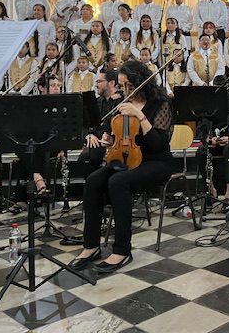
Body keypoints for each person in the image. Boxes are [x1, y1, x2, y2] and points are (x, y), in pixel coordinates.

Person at [69, 60, 174, 273]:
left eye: (128, 85)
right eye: (121, 85)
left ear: (140, 81)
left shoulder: (160, 103)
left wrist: (139, 115)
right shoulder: (122, 104)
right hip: (127, 158)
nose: (124, 90)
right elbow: (118, 134)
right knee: (93, 181)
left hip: (156, 161)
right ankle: (91, 246)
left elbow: (158, 144)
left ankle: (122, 250)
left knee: (118, 182)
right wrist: (110, 139)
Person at [80, 69, 123, 173]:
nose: (96, 85)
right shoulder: (96, 102)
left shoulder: (122, 101)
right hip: (96, 143)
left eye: (99, 82)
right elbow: (83, 125)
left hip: (115, 145)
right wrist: (89, 135)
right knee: (83, 160)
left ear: (111, 83)